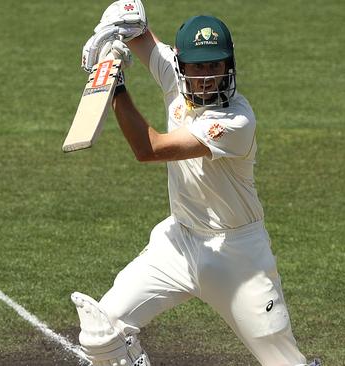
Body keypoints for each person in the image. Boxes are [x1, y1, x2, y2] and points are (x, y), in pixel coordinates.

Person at [70, 1, 321, 366]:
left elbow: (149, 148)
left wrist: (113, 82)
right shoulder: (174, 72)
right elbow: (140, 33)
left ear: (229, 66)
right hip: (178, 242)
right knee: (103, 332)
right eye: (199, 67)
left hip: (238, 255)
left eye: (215, 66)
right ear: (181, 65)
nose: (207, 76)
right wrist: (122, 23)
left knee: (284, 362)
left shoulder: (236, 120)